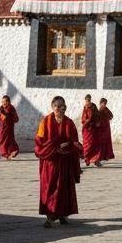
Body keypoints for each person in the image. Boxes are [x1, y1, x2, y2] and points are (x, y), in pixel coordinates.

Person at [34, 95, 82, 227]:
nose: (60, 109)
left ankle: (62, 214)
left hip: (64, 161)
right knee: (50, 188)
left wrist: (69, 148)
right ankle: (50, 216)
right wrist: (55, 148)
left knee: (63, 189)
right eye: (57, 106)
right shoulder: (46, 122)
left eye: (62, 106)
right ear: (52, 107)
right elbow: (39, 142)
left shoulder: (69, 123)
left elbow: (75, 142)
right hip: (50, 162)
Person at [81, 94, 101, 167]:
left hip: (93, 128)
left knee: (95, 144)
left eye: (88, 100)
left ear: (90, 100)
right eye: (86, 101)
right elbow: (83, 118)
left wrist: (98, 122)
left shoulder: (93, 106)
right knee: (87, 144)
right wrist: (87, 122)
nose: (87, 102)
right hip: (87, 129)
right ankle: (87, 158)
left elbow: (97, 115)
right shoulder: (85, 108)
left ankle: (96, 160)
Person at [0, 94, 20, 159]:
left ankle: (6, 154)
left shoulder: (10, 107)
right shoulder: (2, 107)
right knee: (9, 140)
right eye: (3, 101)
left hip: (7, 127)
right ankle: (13, 151)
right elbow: (1, 118)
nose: (4, 103)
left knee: (2, 140)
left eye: (5, 101)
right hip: (3, 127)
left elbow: (6, 113)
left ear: (9, 102)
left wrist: (2, 111)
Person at [97, 97, 115, 162]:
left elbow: (111, 116)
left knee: (106, 142)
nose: (104, 105)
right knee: (101, 142)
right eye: (103, 103)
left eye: (105, 103)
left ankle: (106, 155)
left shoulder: (106, 109)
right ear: (100, 103)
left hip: (106, 127)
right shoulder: (99, 110)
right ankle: (101, 156)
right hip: (101, 128)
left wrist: (106, 119)